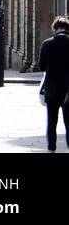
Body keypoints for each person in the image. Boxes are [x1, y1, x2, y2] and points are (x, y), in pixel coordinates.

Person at [39, 16, 69, 152]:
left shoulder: (47, 43)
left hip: (51, 89)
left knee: (51, 122)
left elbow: (42, 67)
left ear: (55, 28)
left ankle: (51, 149)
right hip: (68, 90)